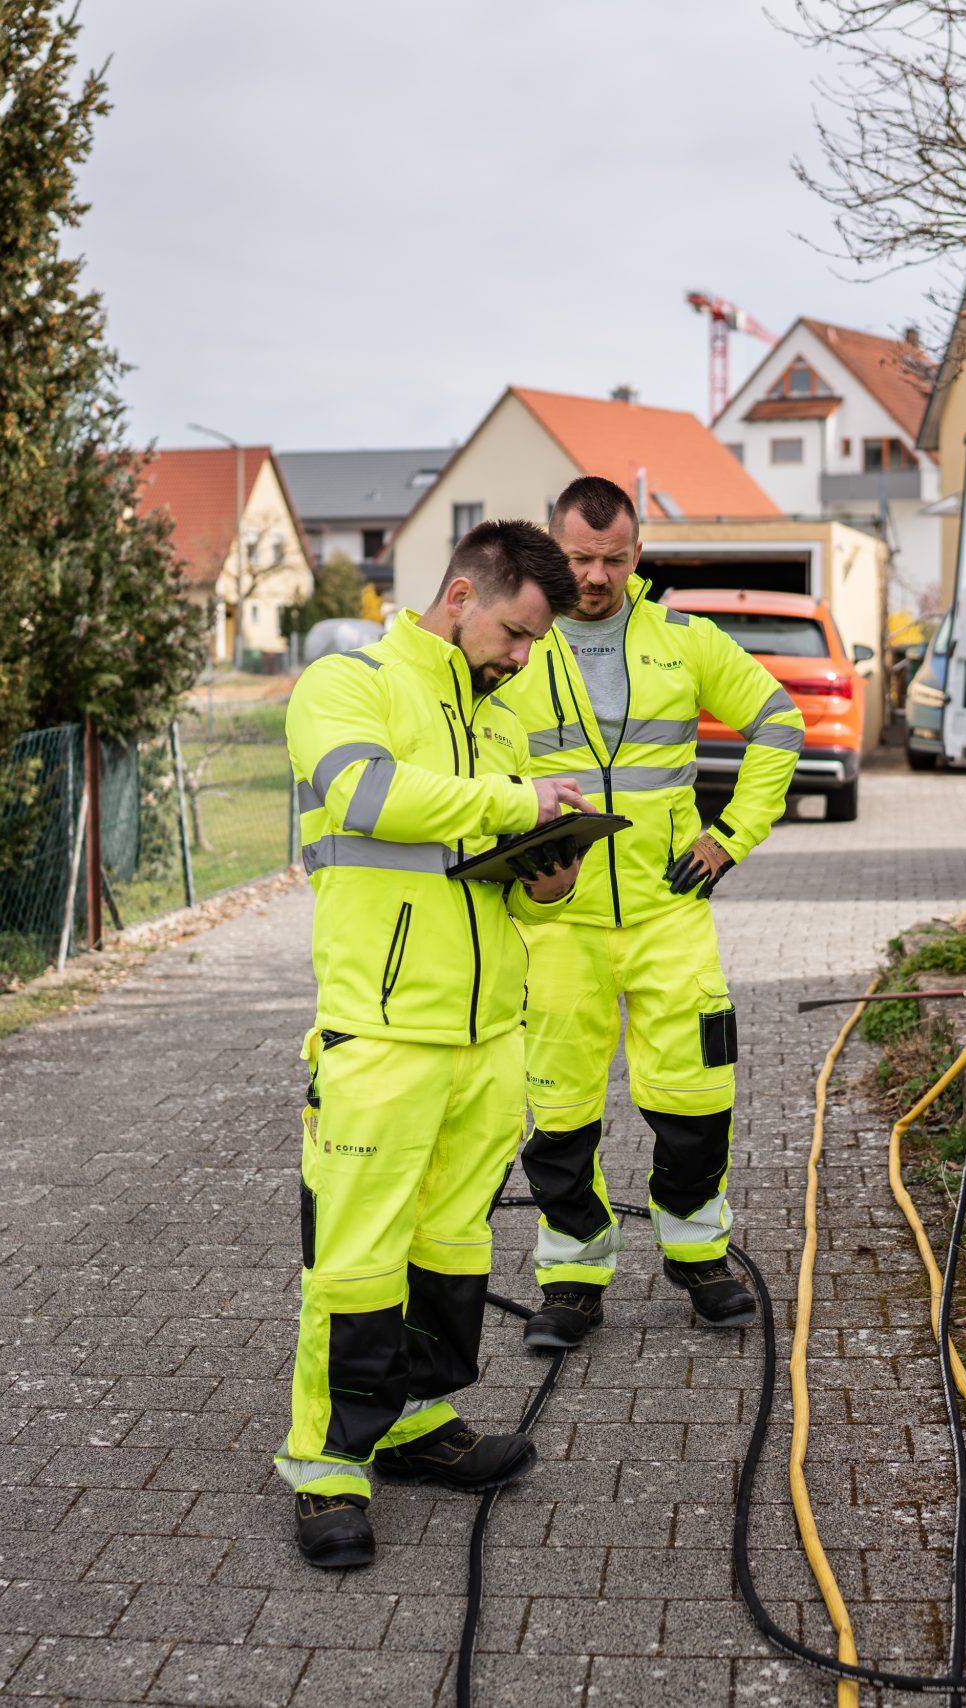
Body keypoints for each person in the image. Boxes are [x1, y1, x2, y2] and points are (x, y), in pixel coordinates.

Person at [278, 518, 587, 1570]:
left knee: (447, 1253)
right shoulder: (347, 686)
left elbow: (488, 878)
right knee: (354, 1264)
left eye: (534, 643)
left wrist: (550, 876)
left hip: (483, 1040)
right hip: (380, 1035)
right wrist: (515, 802)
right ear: (460, 596)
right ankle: (325, 1471)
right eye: (514, 632)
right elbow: (367, 795)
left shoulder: (494, 719)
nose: (522, 656)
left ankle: (408, 1426)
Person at [501, 475, 804, 1349]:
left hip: (670, 912)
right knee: (557, 1115)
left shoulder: (685, 641)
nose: (593, 577)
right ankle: (570, 1279)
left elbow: (778, 723)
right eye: (577, 558)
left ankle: (699, 1259)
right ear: (549, 551)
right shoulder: (516, 642)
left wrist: (731, 837)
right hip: (554, 922)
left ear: (638, 556)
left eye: (612, 559)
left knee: (698, 1102)